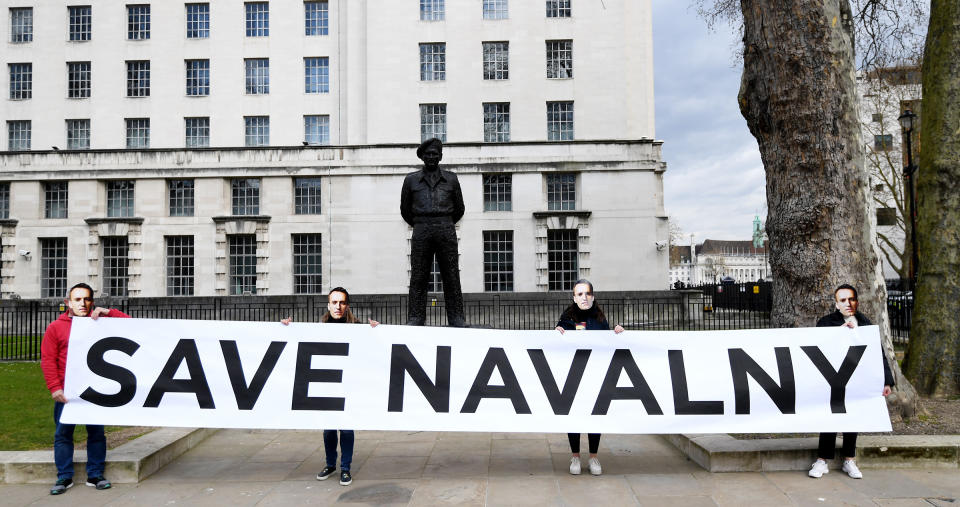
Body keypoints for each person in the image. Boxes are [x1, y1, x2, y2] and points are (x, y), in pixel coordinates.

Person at [281, 287, 378, 486]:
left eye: (342, 302)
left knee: (347, 429)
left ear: (347, 305)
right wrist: (286, 328)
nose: (338, 306)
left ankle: (345, 468)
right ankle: (330, 464)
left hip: (348, 386)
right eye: (334, 302)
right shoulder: (320, 327)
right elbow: (300, 343)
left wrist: (376, 329)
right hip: (327, 385)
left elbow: (374, 348)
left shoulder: (357, 327)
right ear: (328, 304)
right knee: (329, 430)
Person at [40, 283, 130, 495]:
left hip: (94, 389)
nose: (83, 303)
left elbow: (132, 326)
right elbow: (48, 360)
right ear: (67, 303)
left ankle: (95, 474)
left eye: (87, 299)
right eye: (77, 299)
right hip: (67, 391)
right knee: (63, 434)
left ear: (92, 301)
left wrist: (109, 312)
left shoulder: (100, 323)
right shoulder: (55, 327)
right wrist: (54, 387)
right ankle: (64, 477)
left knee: (96, 433)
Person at [808, 283, 894, 480]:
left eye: (852, 299)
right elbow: (817, 348)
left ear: (857, 301)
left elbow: (877, 354)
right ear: (836, 304)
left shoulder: (865, 323)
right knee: (830, 418)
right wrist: (840, 332)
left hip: (857, 380)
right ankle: (823, 459)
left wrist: (886, 381)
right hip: (833, 379)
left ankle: (849, 459)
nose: (848, 303)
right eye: (843, 300)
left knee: (853, 418)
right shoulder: (826, 322)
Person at [554, 279, 624, 476]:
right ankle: (575, 456)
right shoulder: (568, 316)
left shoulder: (599, 317)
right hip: (573, 375)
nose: (584, 297)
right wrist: (558, 332)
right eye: (580, 294)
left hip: (595, 374)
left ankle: (593, 457)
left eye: (587, 293)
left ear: (592, 296)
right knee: (574, 416)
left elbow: (607, 342)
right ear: (574, 297)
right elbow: (558, 338)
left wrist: (617, 333)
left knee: (594, 416)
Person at [399, 137, 468, 327]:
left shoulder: (452, 179)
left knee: (451, 274)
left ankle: (456, 317)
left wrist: (444, 222)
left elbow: (460, 208)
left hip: (446, 227)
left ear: (440, 156)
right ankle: (416, 317)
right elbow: (405, 210)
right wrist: (422, 223)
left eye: (435, 154)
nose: (431, 157)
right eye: (428, 154)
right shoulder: (411, 180)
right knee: (419, 275)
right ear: (422, 157)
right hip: (421, 228)